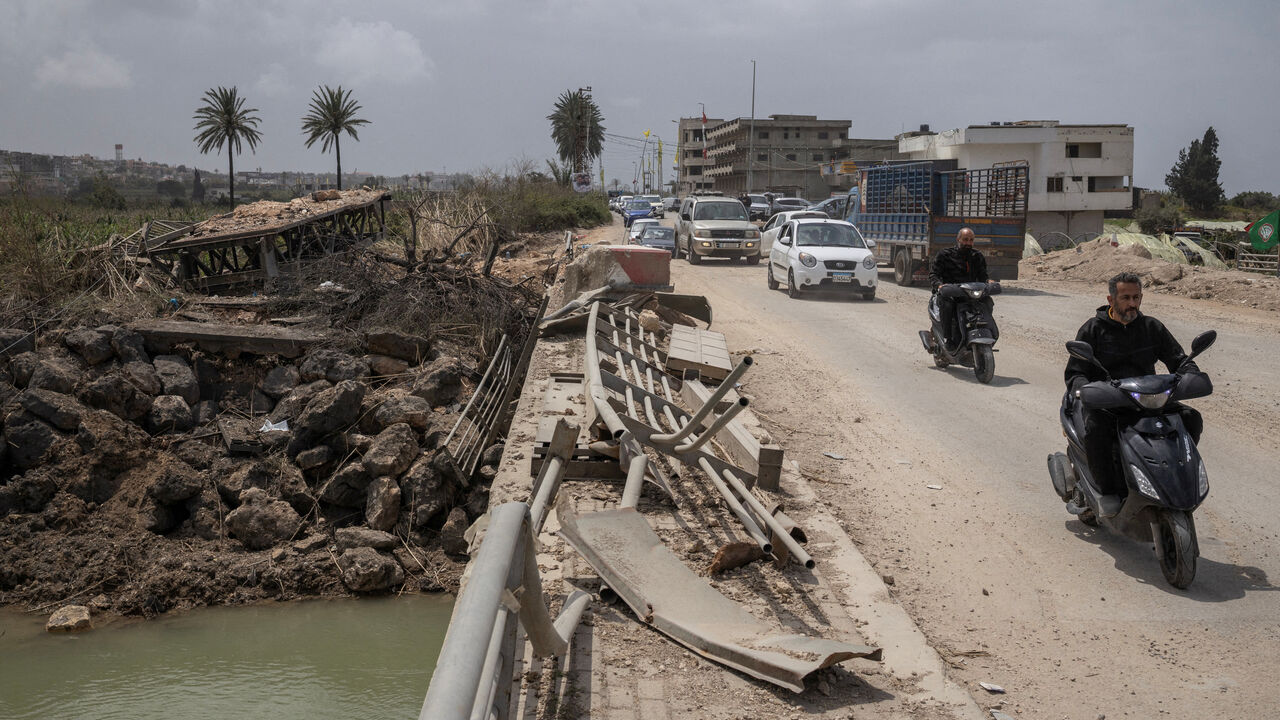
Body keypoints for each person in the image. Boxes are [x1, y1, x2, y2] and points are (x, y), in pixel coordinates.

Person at [1064, 271, 1202, 497]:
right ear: (1111, 300)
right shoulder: (1093, 329)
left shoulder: (1151, 327)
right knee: (1097, 430)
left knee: (1190, 419)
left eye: (1136, 297)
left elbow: (1177, 359)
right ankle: (1108, 493)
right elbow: (1076, 372)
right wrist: (1084, 391)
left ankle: (1174, 477)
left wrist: (1190, 372)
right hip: (1107, 402)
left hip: (1147, 399)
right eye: (1125, 298)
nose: (1132, 304)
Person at [928, 227, 991, 346]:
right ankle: (947, 337)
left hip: (970, 294)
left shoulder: (977, 256)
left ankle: (984, 330)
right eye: (965, 239)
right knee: (947, 305)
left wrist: (989, 282)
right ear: (958, 239)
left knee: (987, 302)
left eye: (971, 240)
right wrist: (940, 286)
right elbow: (933, 275)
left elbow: (983, 276)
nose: (968, 243)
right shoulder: (945, 255)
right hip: (950, 293)